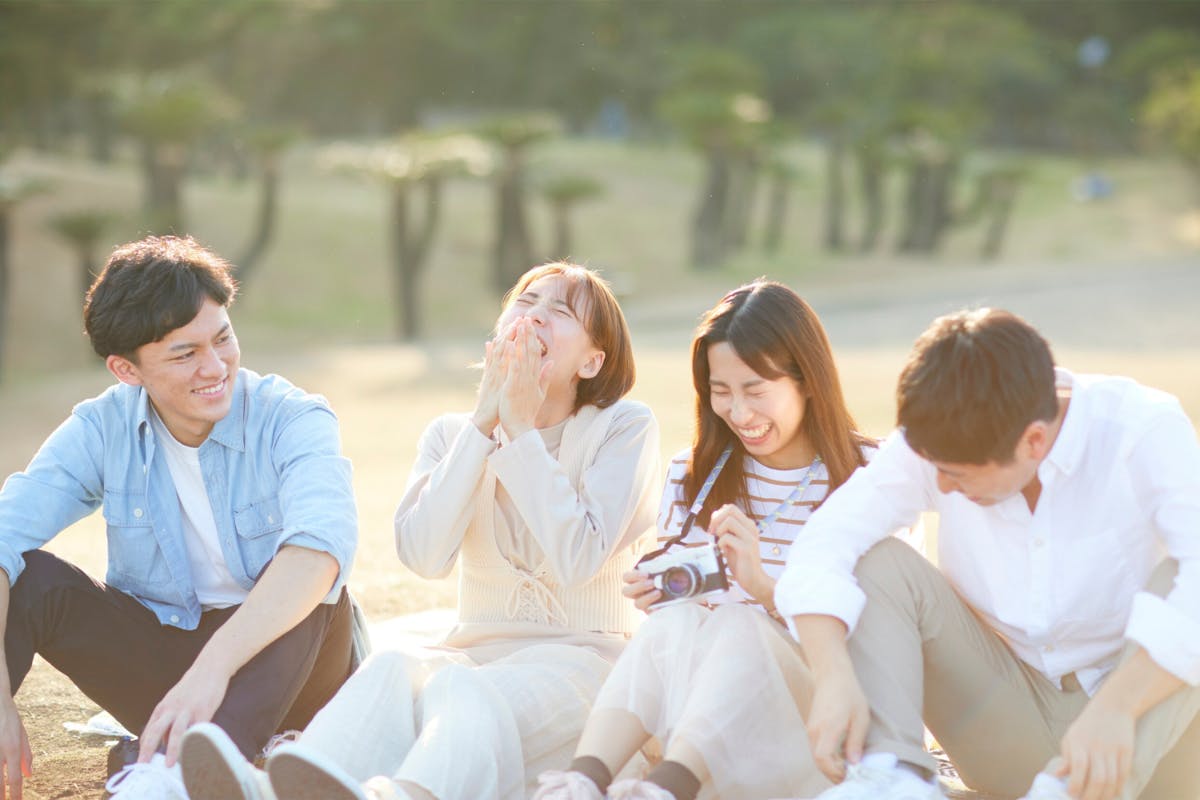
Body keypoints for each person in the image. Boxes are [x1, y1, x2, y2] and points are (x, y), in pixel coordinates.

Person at [180, 262, 662, 800]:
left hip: (585, 668)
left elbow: (578, 558)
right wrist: (483, 427)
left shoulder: (623, 427)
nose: (534, 317)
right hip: (471, 656)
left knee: (459, 689)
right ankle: (269, 791)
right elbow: (424, 556)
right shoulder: (451, 435)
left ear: (592, 361)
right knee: (393, 667)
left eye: (560, 311)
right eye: (526, 303)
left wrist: (520, 429)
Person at [775, 308, 1200, 800]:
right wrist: (833, 675)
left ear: (1033, 440)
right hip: (1009, 725)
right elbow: (826, 539)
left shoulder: (1141, 427)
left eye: (957, 473)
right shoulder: (939, 437)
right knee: (879, 561)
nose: (940, 486)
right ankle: (894, 778)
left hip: (1146, 737)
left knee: (1186, 576)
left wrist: (1117, 708)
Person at [0, 236, 359, 800]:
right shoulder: (101, 429)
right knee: (33, 581)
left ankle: (174, 774)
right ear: (126, 369)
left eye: (222, 338)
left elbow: (319, 553)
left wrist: (212, 670)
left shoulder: (293, 417)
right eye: (184, 354)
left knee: (310, 582)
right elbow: (4, 534)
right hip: (172, 671)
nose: (215, 367)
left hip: (293, 670)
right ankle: (186, 753)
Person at [534, 280, 878, 800]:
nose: (738, 413)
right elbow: (682, 625)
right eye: (721, 391)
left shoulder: (870, 475)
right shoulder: (694, 474)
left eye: (755, 391)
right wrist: (662, 589)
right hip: (703, 719)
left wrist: (763, 588)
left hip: (815, 719)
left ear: (807, 380)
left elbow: (881, 635)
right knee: (675, 620)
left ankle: (666, 790)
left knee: (741, 621)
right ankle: (580, 782)